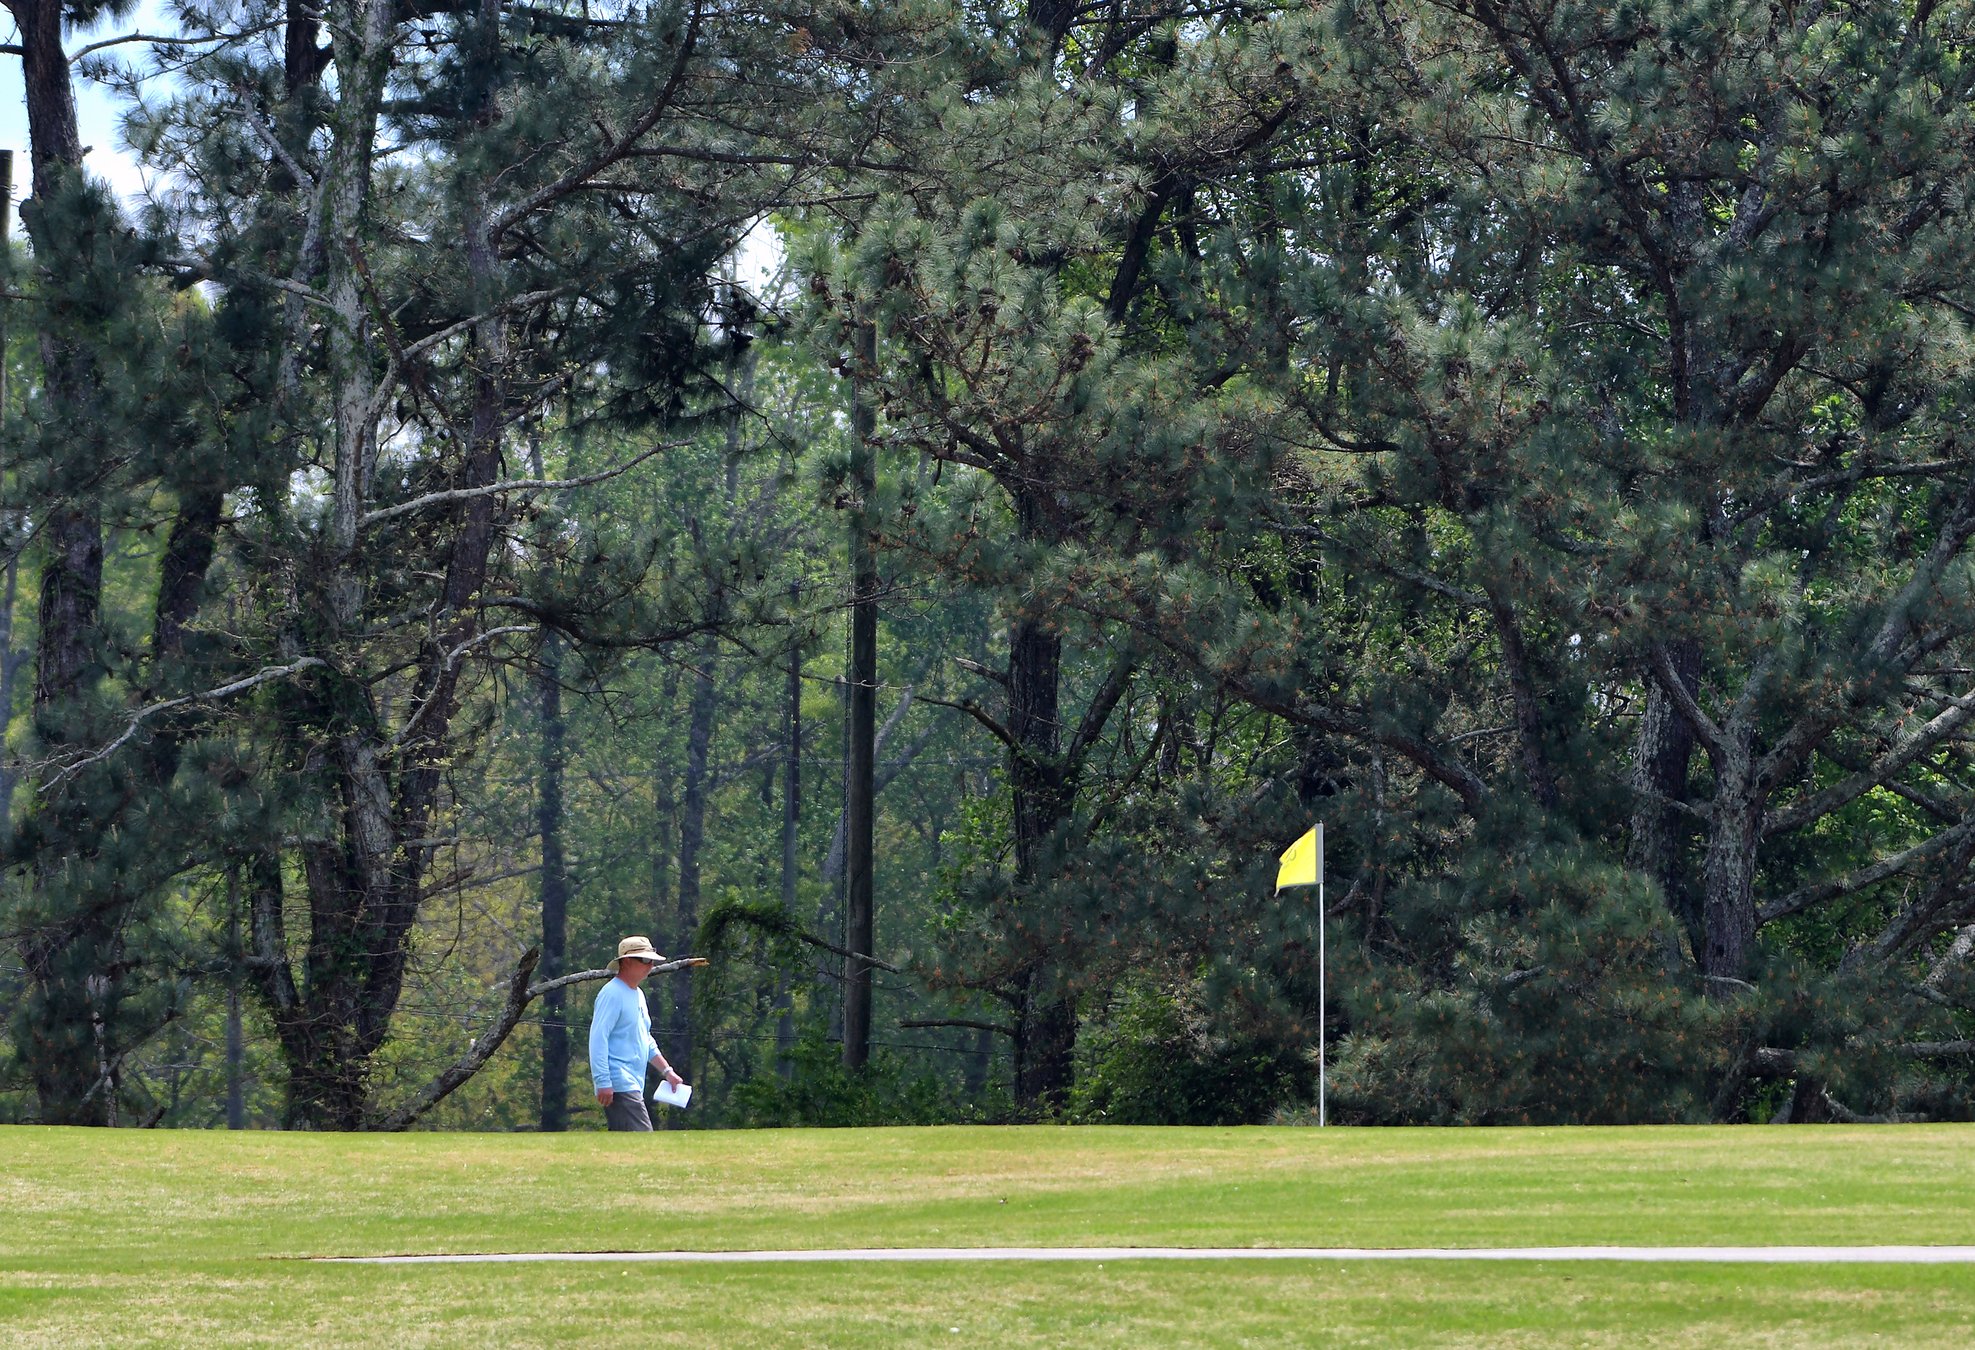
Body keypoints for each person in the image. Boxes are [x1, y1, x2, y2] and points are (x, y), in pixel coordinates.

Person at [589, 936, 686, 1132]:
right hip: (619, 1083)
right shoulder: (612, 994)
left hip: (632, 1083)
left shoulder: (638, 994)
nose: (651, 965)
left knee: (627, 1149)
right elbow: (598, 1039)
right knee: (643, 1140)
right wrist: (603, 1081)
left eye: (652, 960)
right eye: (644, 960)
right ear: (626, 962)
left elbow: (645, 1039)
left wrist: (667, 1072)